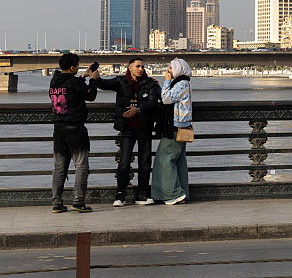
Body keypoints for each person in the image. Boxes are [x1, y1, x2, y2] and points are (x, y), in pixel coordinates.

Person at [96, 58, 160, 206]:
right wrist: (96, 78)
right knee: (124, 162)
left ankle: (142, 194)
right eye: (138, 66)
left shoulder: (150, 83)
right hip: (127, 128)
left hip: (144, 128)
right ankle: (120, 194)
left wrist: (138, 109)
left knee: (145, 162)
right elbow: (103, 84)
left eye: (142, 66)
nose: (141, 69)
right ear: (130, 68)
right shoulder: (121, 81)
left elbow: (152, 102)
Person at [49, 52, 99, 212]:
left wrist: (82, 76)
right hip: (75, 129)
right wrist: (93, 80)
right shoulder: (74, 82)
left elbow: (69, 87)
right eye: (77, 65)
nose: (78, 68)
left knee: (59, 167)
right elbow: (90, 95)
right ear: (72, 67)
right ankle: (78, 201)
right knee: (81, 166)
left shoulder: (54, 81)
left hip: (59, 129)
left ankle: (57, 203)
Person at [152, 58, 192, 205]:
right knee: (178, 161)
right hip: (181, 126)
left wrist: (166, 81)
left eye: (170, 68)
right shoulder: (183, 83)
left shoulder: (181, 84)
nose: (168, 71)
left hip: (175, 126)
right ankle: (182, 192)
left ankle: (173, 194)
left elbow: (166, 98)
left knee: (165, 160)